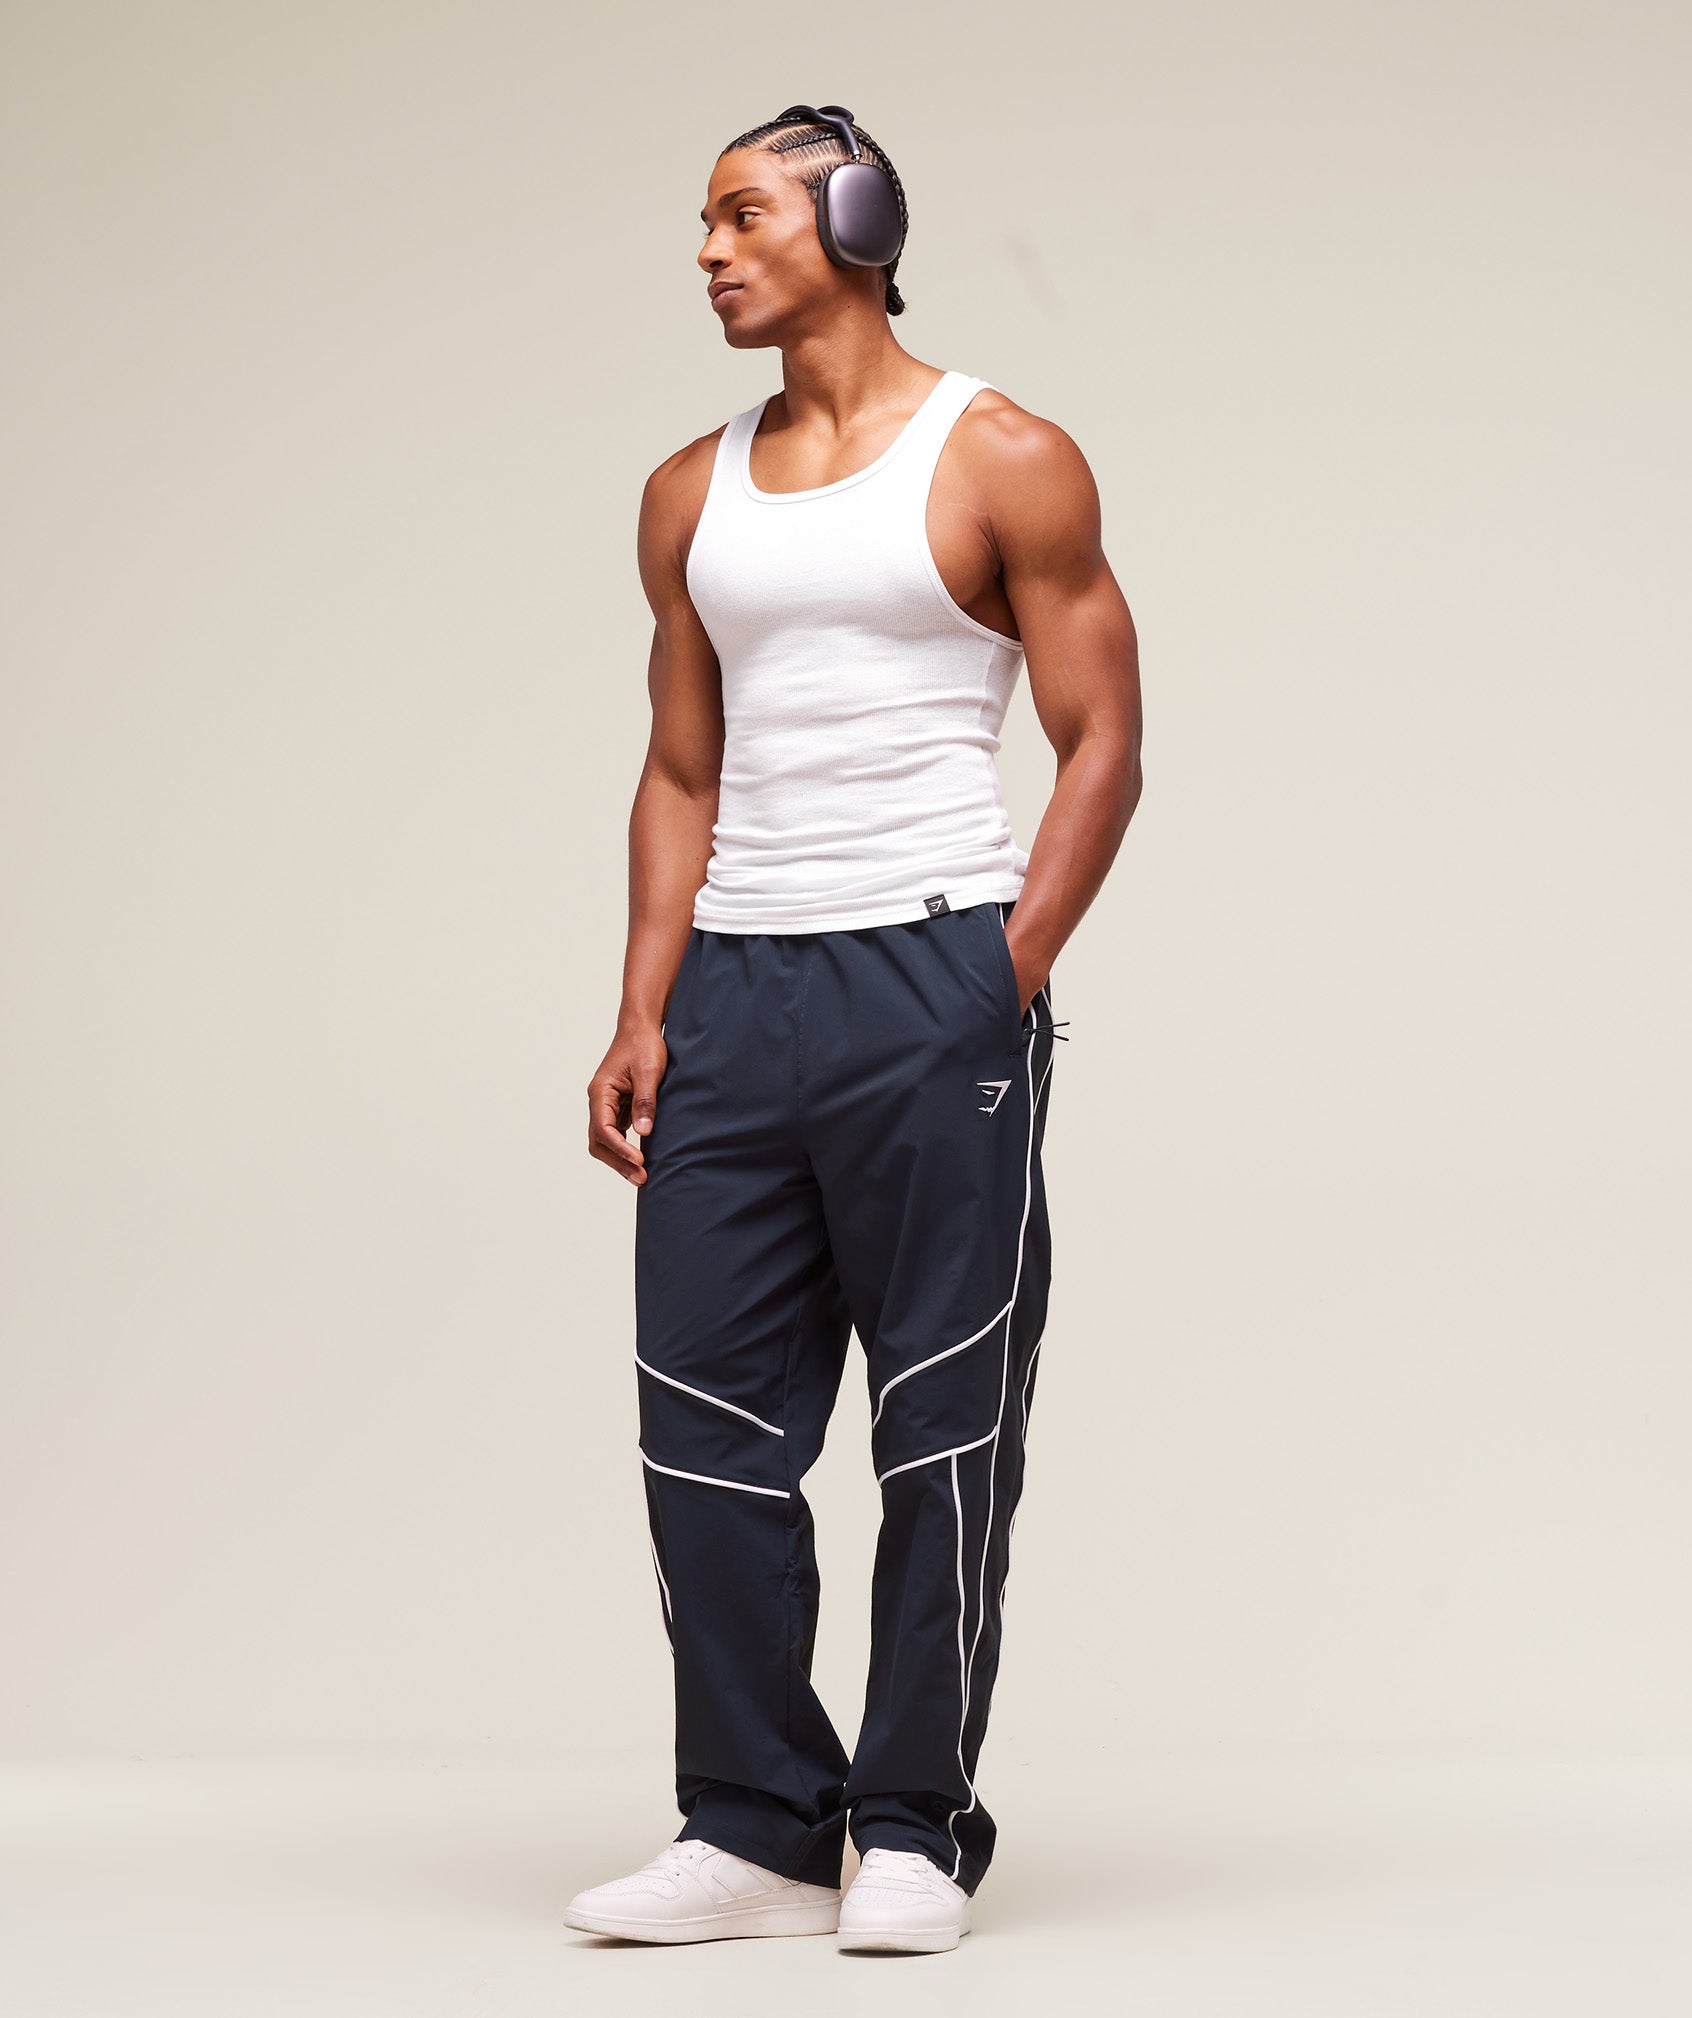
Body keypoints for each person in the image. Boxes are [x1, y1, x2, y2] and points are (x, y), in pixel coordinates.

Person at [571, 102, 1143, 1955]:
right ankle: (751, 1820)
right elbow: (679, 766)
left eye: (746, 214)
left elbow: (1103, 740)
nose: (711, 250)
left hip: (928, 976)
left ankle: (910, 1825)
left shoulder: (1006, 456)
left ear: (861, 220)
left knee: (941, 1427)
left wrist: (1003, 972)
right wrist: (642, 1003)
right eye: (704, 221)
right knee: (704, 1431)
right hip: (735, 990)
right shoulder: (689, 492)